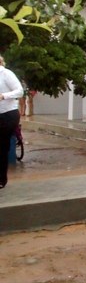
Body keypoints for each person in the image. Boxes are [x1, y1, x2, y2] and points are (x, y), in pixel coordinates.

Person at [0, 55, 23, 189]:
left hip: (8, 114)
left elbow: (20, 91)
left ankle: (1, 179)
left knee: (2, 146)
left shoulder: (6, 74)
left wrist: (4, 96)